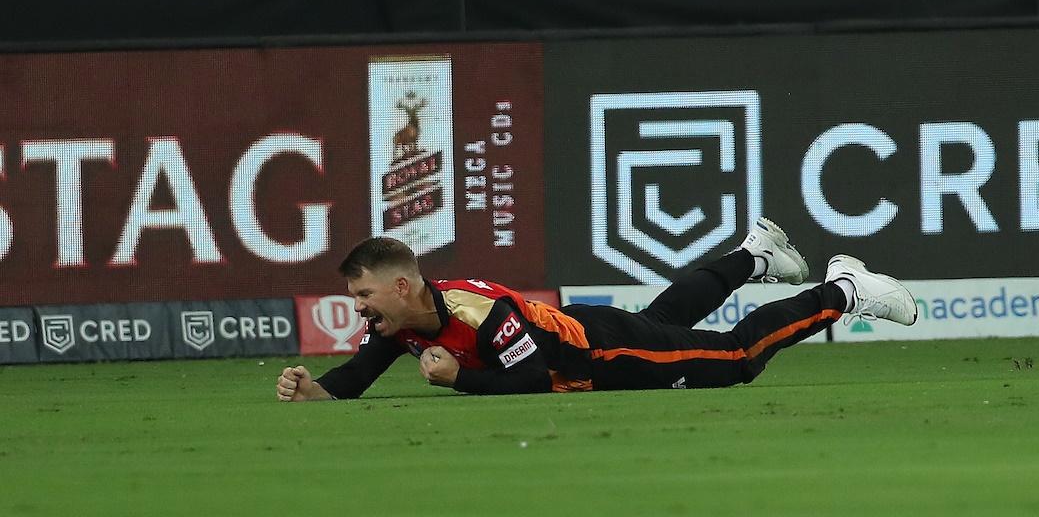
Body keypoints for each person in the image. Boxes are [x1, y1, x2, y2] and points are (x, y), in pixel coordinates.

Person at [276, 218, 917, 400]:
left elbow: (528, 379)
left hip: (604, 353)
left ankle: (844, 291)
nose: (358, 308)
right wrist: (317, 390)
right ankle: (753, 256)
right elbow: (357, 376)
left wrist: (458, 380)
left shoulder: (478, 313)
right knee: (669, 322)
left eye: (363, 295)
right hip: (585, 330)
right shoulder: (401, 321)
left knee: (735, 359)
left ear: (402, 286)